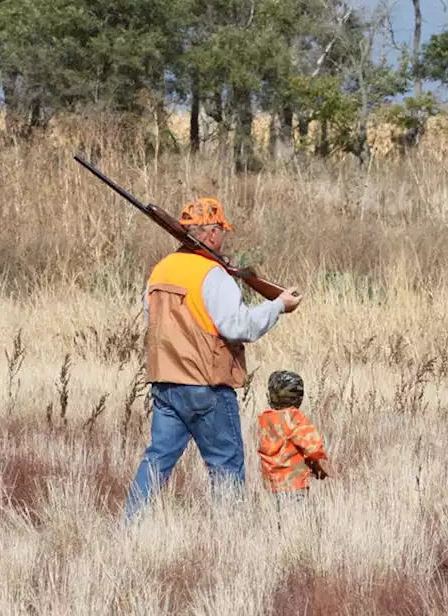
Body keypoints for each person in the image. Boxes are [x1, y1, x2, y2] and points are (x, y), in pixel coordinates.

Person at [125, 197, 301, 520]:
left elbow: (153, 316)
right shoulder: (213, 274)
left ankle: (130, 526)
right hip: (206, 386)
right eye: (221, 230)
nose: (224, 237)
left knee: (156, 461)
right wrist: (278, 306)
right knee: (226, 464)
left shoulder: (160, 270)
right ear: (209, 234)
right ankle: (227, 535)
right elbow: (239, 327)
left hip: (165, 385)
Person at [256, 370, 332, 504]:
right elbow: (313, 449)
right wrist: (320, 467)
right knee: (296, 521)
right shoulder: (295, 419)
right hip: (295, 485)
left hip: (271, 486)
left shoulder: (265, 420)